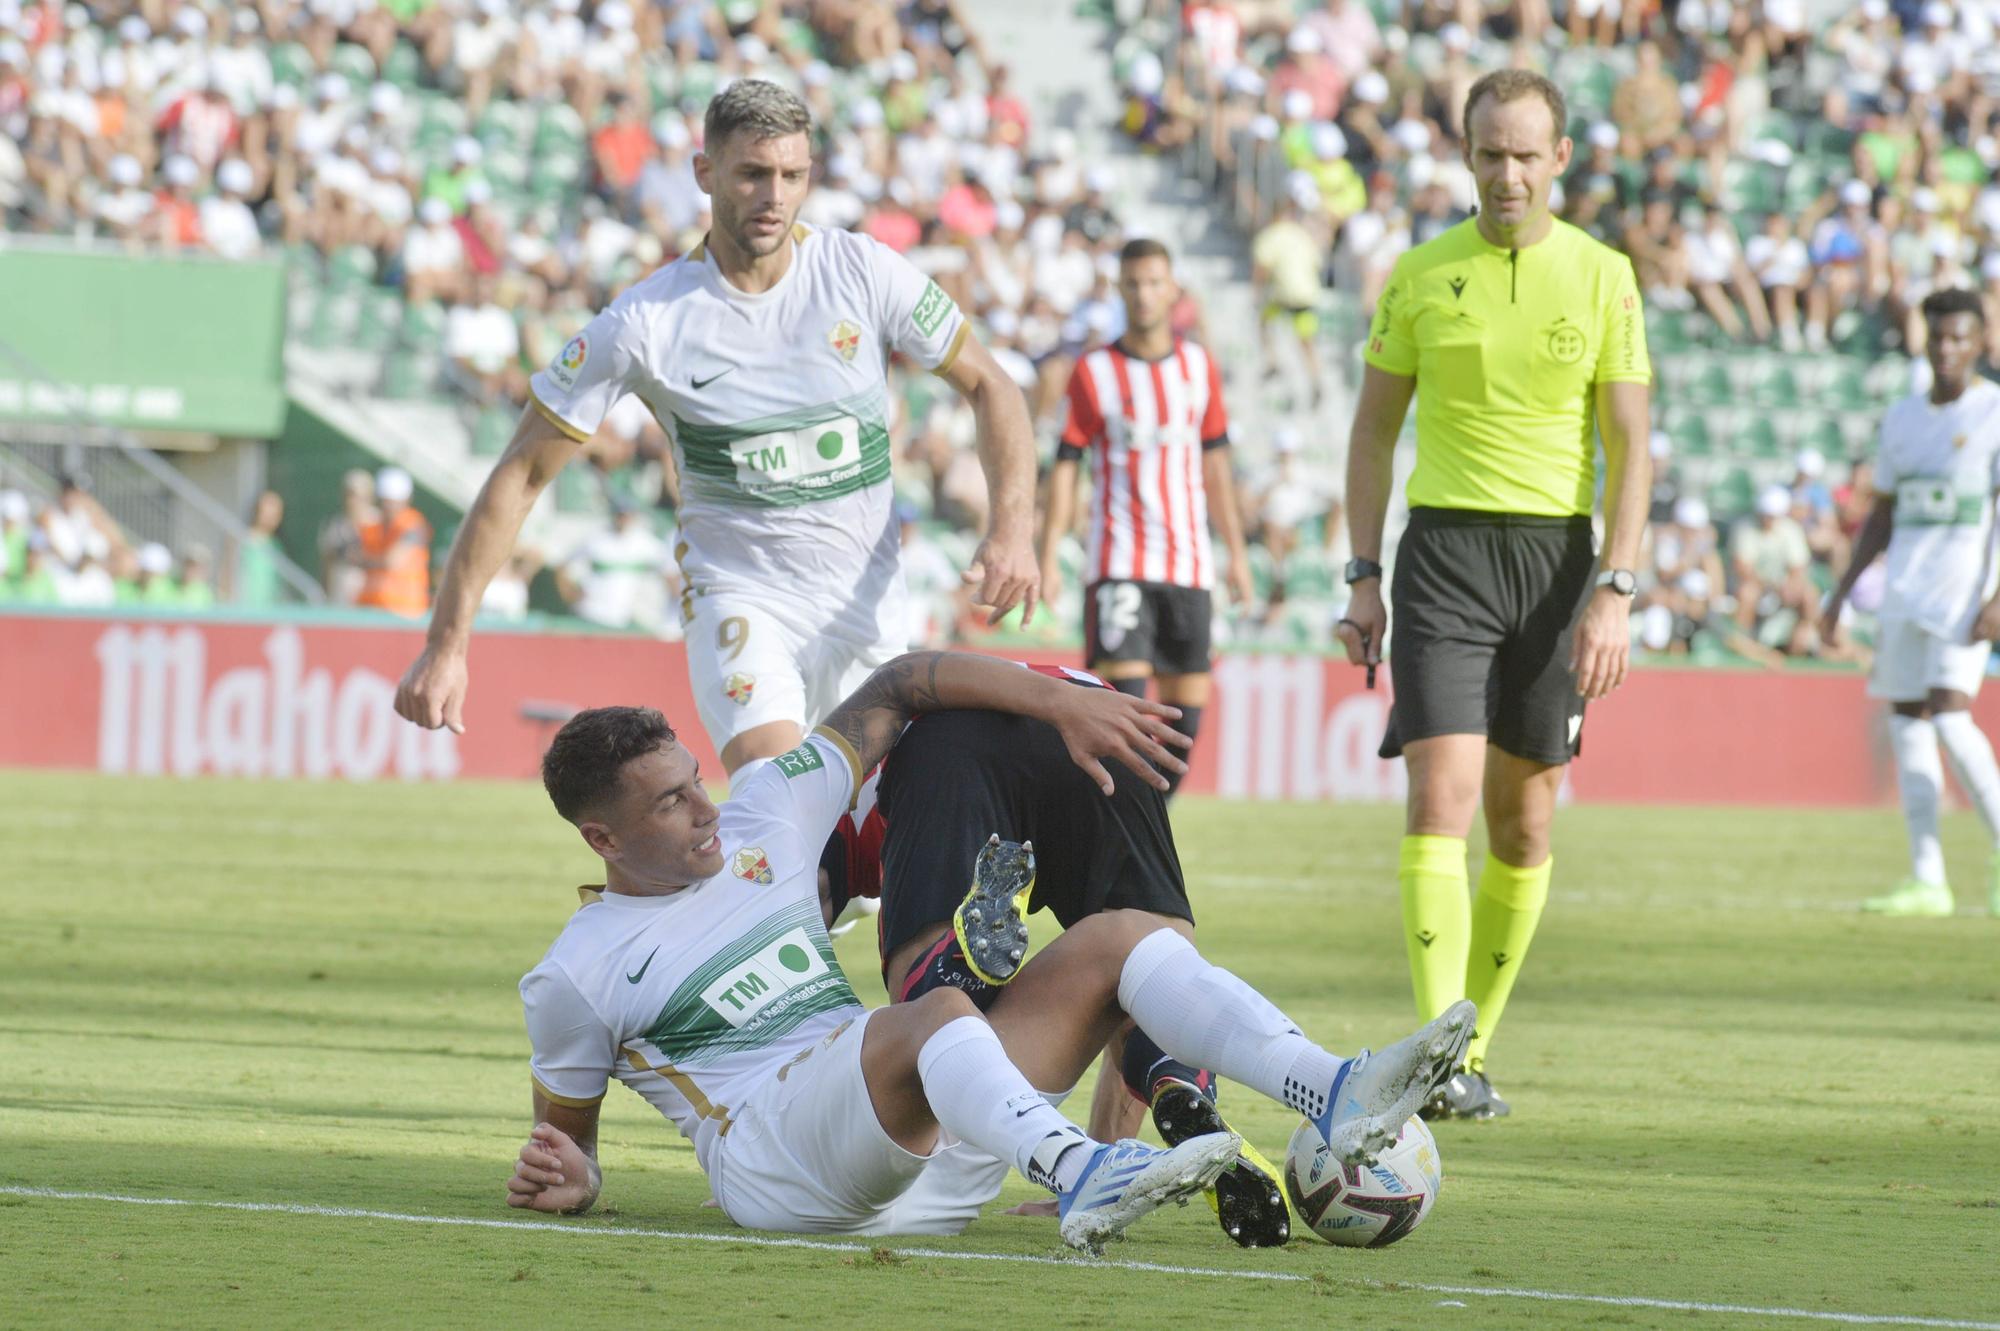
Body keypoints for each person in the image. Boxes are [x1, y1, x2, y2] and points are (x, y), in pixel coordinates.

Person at [506, 651, 1473, 1249]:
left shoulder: (765, 809)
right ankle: (1085, 1172)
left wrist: (1054, 704)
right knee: (932, 1010)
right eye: (669, 801)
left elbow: (902, 681)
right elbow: (573, 1149)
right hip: (783, 1166)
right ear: (602, 839)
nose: (703, 806)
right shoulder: (574, 973)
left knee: (1118, 937)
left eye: (691, 779)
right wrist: (579, 1181)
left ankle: (1332, 1090)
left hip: (936, 1147)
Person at [393, 80, 1040, 775]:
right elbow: (521, 472)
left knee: (867, 870)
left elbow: (991, 385)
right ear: (705, 173)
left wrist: (1012, 530)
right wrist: (447, 642)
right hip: (744, 601)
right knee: (783, 800)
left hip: (867, 609)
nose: (774, 196)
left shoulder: (863, 272)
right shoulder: (648, 323)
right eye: (753, 173)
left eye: (792, 175)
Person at [1339, 70, 1652, 1121]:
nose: (1506, 173)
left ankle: (1469, 1044)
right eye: (1487, 153)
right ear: (1464, 156)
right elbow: (1372, 433)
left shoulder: (1604, 276)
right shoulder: (1421, 276)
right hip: (1443, 558)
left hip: (1558, 566)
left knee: (1522, 825)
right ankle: (1435, 1058)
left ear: (1559, 158)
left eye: (1524, 153)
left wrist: (1611, 591)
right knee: (1439, 801)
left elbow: (1631, 445)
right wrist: (1361, 575)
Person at [818, 662, 1290, 1248]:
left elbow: (798, 936)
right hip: (1105, 723)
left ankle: (955, 965)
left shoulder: (815, 820)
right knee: (1155, 964)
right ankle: (1172, 1080)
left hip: (952, 746)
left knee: (927, 1020)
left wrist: (793, 1135)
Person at [1038, 238, 1254, 797]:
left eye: (1154, 282)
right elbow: (1066, 463)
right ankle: (1113, 856)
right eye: (1132, 283)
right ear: (1119, 289)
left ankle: (1138, 850)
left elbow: (1217, 466)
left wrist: (1235, 554)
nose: (1143, 294)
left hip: (1189, 568)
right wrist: (1048, 554)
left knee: (1184, 732)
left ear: (1173, 289)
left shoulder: (1198, 367)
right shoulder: (1094, 371)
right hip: (1120, 566)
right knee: (1119, 724)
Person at [1823, 289, 2000, 918]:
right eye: (1939, 337)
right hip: (1905, 589)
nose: (1948, 348)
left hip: (1965, 592)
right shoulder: (1901, 417)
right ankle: (1929, 879)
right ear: (1924, 340)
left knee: (1952, 717)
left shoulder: (1993, 413)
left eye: (1960, 338)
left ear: (1982, 342)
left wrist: (1998, 597)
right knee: (1907, 721)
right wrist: (1841, 591)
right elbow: (1884, 512)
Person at [356, 467, 432, 618]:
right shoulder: (373, 527)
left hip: (405, 611)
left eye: (394, 502)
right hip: (371, 609)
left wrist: (360, 559)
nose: (390, 507)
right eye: (386, 501)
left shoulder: (413, 525)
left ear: (406, 500)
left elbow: (392, 561)